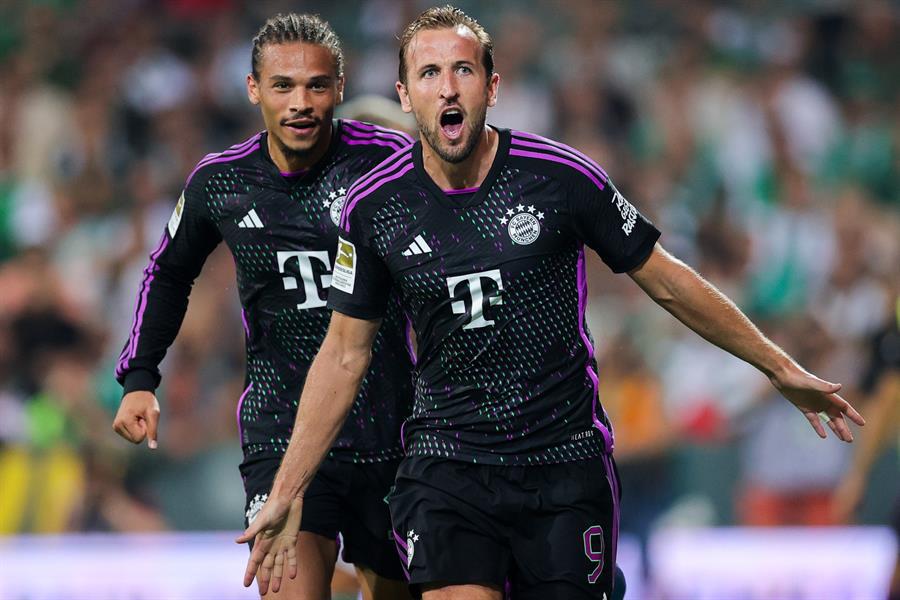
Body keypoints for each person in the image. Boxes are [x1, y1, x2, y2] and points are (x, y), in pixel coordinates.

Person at [239, 6, 864, 599]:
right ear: (405, 95)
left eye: (463, 70)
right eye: (429, 73)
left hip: (563, 465)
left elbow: (668, 281)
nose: (448, 87)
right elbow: (343, 355)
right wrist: (287, 489)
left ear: (492, 86)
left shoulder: (559, 177)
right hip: (447, 467)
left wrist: (779, 367)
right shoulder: (373, 210)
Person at [111, 13, 414, 599]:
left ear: (339, 87)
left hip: (389, 429)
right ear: (254, 89)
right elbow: (168, 272)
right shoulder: (220, 182)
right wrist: (140, 376)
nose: (300, 102)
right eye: (282, 86)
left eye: (316, 86)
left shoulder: (392, 163)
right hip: (281, 431)